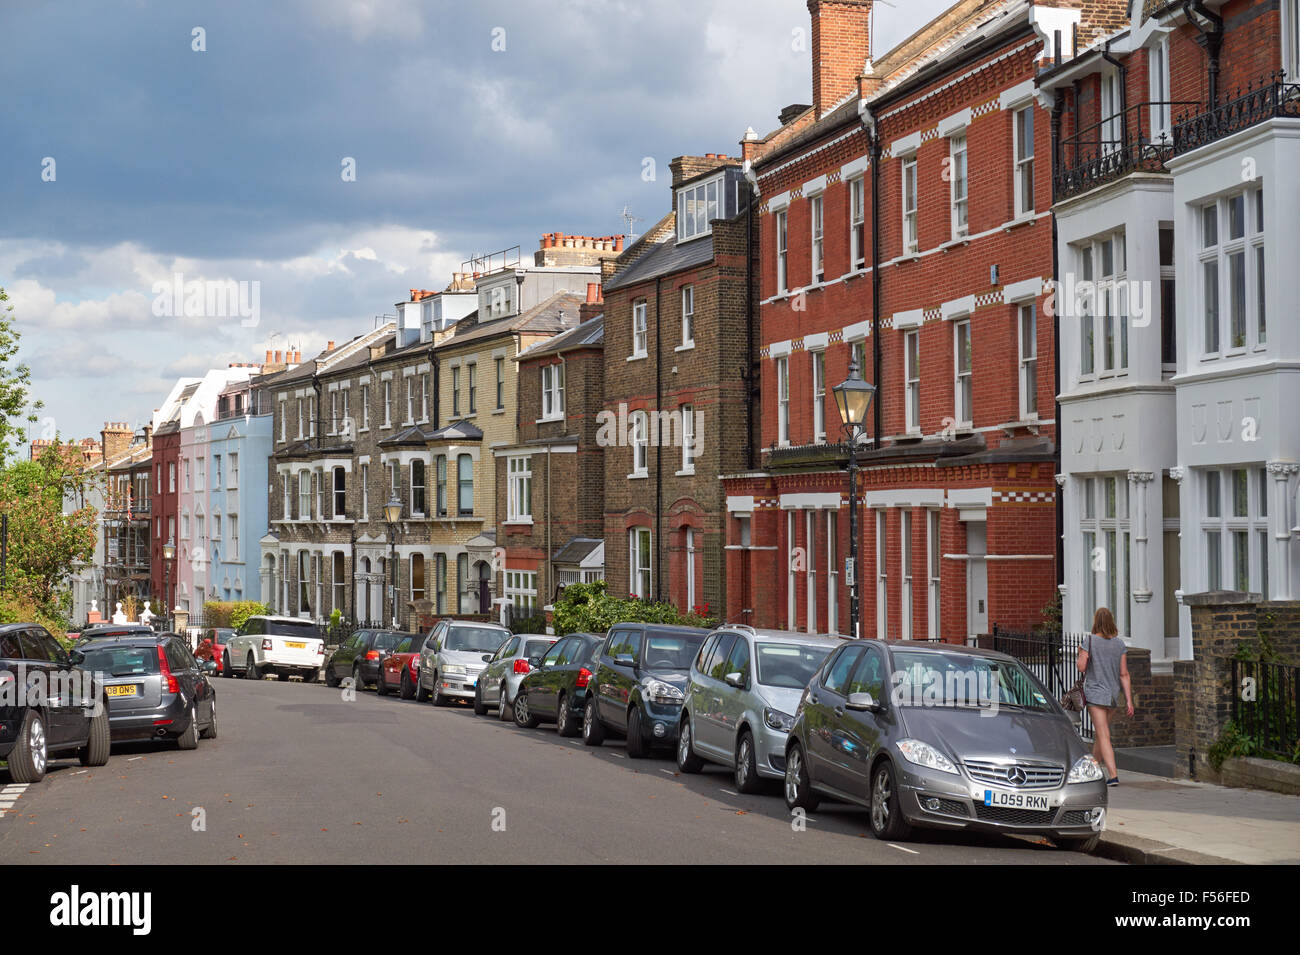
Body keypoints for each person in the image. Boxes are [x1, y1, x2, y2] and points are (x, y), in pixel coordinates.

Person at [1076, 607, 1134, 786]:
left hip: (1095, 694)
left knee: (1103, 735)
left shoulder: (1090, 641)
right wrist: (1129, 701)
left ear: (1096, 621)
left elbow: (1081, 667)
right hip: (1112, 696)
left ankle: (1113, 775)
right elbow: (1124, 674)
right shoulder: (1119, 644)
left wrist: (1080, 654)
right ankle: (1091, 770)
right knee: (1101, 736)